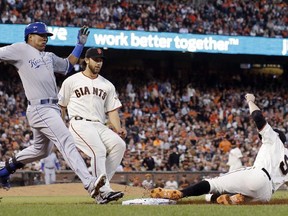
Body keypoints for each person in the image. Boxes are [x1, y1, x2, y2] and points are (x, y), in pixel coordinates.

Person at [0, 22, 106, 198]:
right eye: (41, 35)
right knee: (65, 140)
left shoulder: (48, 56)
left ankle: (4, 169)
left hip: (52, 108)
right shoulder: (20, 49)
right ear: (30, 37)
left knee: (41, 150)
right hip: (39, 107)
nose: (45, 38)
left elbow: (67, 66)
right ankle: (89, 183)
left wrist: (79, 45)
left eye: (46, 36)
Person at [151, 93, 288, 204]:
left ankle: (181, 193)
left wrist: (251, 101)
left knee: (215, 183)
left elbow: (257, 117)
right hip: (266, 194)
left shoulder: (273, 138)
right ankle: (230, 199)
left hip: (259, 176)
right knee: (243, 196)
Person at [58, 47, 126, 204]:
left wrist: (118, 128)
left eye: (101, 60)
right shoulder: (71, 81)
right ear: (87, 60)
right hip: (79, 122)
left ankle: (101, 186)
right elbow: (61, 106)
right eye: (96, 59)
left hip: (99, 125)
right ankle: (103, 192)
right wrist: (60, 128)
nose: (99, 63)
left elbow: (112, 111)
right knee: (99, 150)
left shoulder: (107, 85)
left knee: (119, 145)